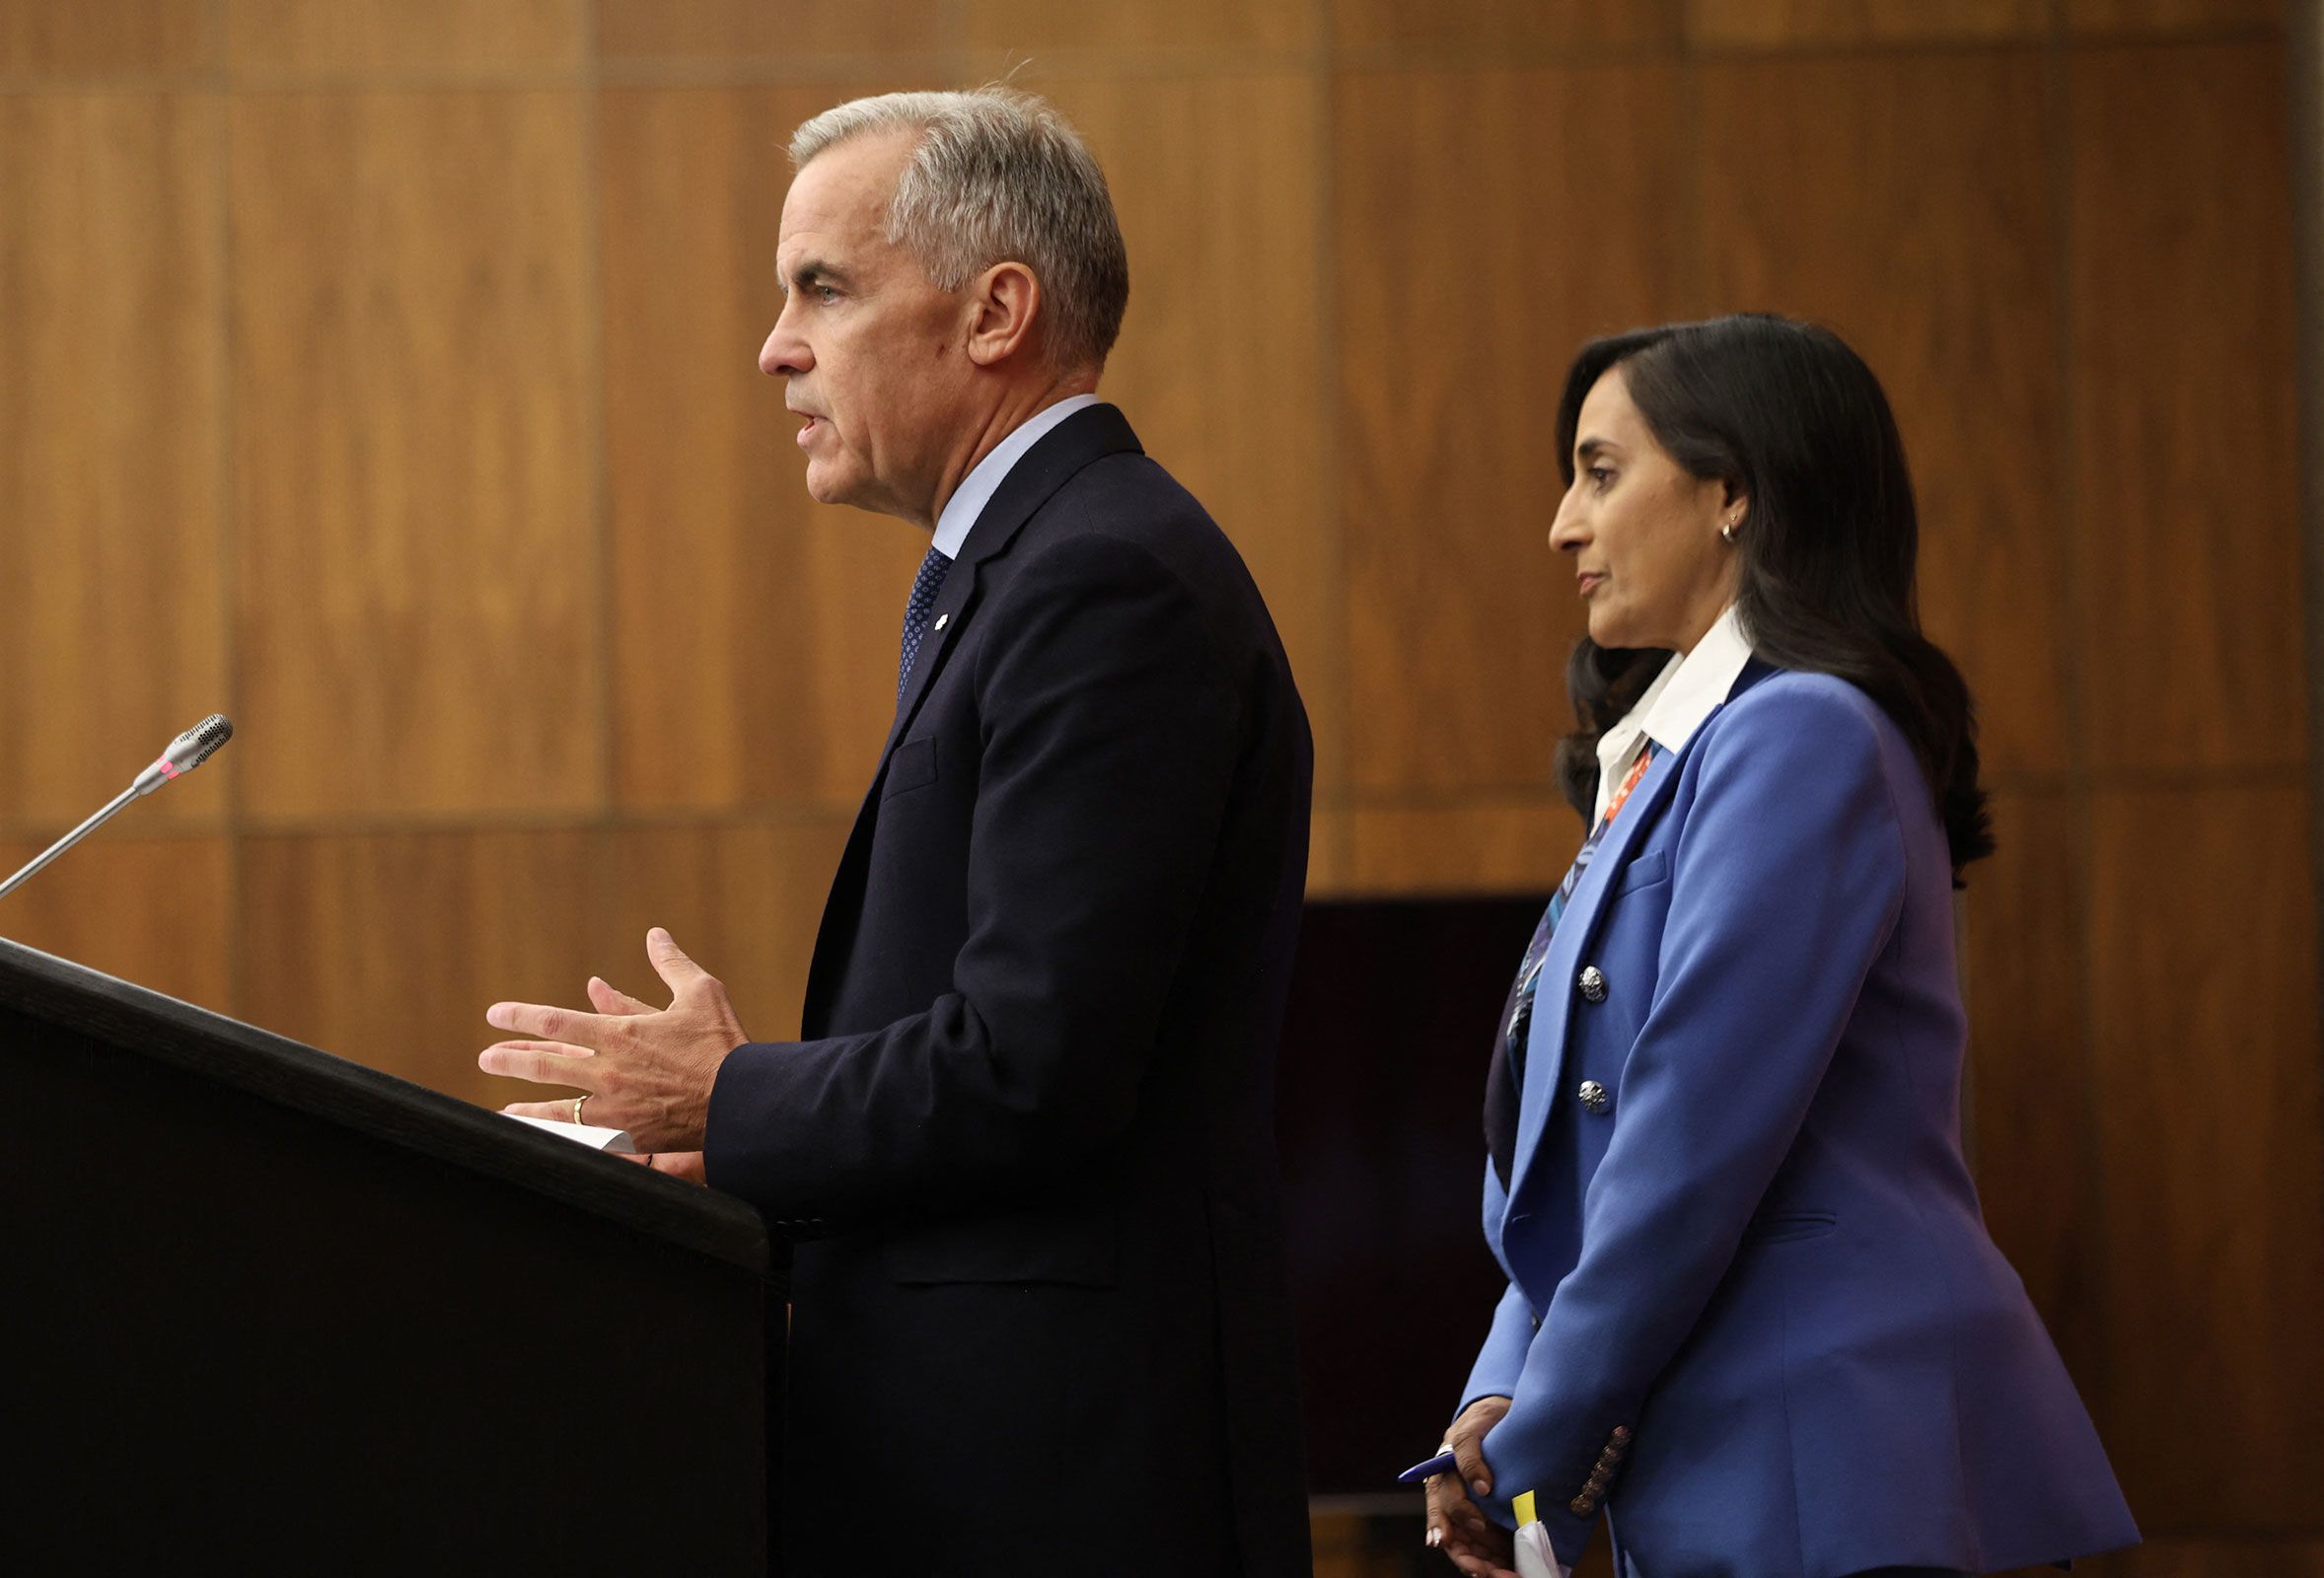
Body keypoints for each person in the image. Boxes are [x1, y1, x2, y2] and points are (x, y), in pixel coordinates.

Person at [478, 88, 1314, 1576]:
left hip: (1062, 1483)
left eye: (824, 288)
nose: (775, 346)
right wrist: (748, 1126)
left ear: (996, 312)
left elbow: (1034, 1064)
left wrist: (735, 1101)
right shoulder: (1029, 567)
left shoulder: (1100, 579)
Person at [1419, 316, 2138, 1578]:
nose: (1559, 527)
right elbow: (1576, 1155)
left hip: (1831, 1461)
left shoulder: (1797, 732)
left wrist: (1531, 1448)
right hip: (1735, 1465)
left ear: (1729, 491)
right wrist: (1497, 1398)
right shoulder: (1660, 760)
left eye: (1598, 472)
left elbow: (1685, 1140)